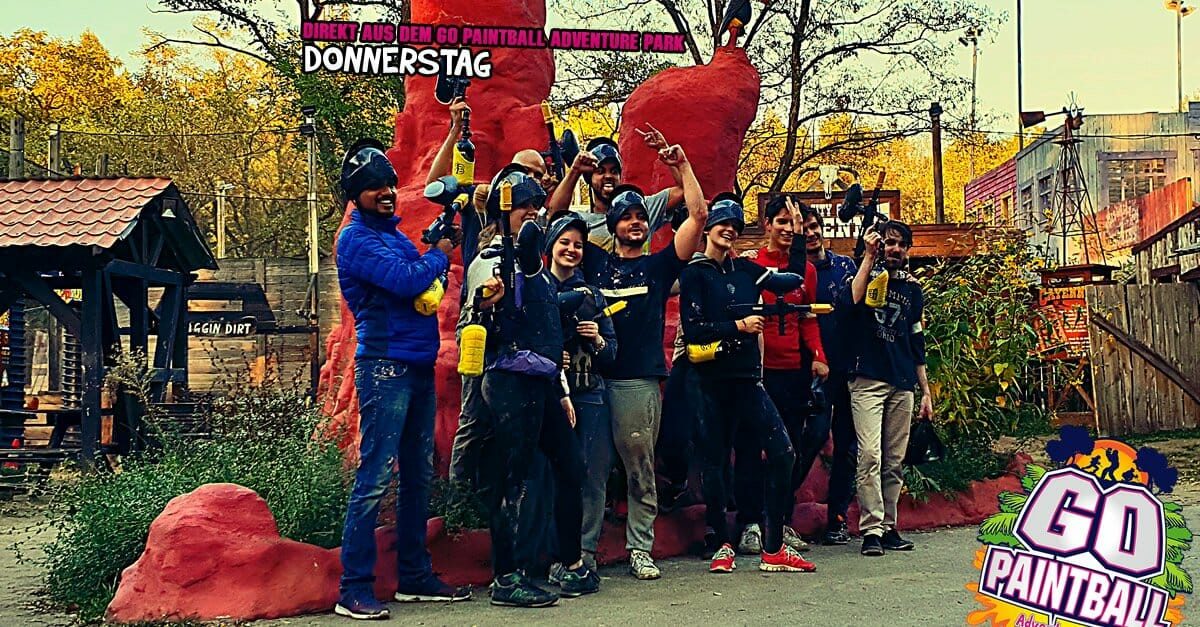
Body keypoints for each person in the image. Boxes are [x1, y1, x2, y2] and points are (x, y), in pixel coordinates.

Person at [333, 139, 470, 620]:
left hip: (415, 365)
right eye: (374, 187)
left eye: (389, 184)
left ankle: (414, 576)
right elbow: (409, 281)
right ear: (355, 195)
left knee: (417, 475)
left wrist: (430, 256)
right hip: (384, 367)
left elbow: (421, 281)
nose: (387, 192)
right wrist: (440, 254)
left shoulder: (394, 237)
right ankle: (353, 588)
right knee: (374, 477)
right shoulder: (355, 239)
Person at [463, 168, 595, 606]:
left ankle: (569, 563)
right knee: (513, 479)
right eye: (524, 206)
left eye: (537, 206)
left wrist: (561, 388)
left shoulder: (532, 263)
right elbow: (477, 310)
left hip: (541, 383)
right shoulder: (491, 260)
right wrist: (487, 300)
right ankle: (507, 578)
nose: (533, 213)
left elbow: (546, 329)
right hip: (508, 382)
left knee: (571, 466)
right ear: (504, 211)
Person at [579, 143, 708, 580]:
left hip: (638, 382)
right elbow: (551, 221)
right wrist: (572, 173)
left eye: (640, 216)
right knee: (593, 471)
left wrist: (683, 165)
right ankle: (584, 552)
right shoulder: (595, 261)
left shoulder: (658, 267)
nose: (635, 222)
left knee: (640, 469)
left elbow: (698, 217)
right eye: (626, 217)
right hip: (593, 382)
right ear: (613, 225)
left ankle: (639, 548)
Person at [678, 195, 816, 574]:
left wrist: (798, 237)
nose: (729, 231)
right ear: (708, 228)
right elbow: (694, 330)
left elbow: (791, 281)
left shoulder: (747, 270)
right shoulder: (694, 273)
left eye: (735, 227)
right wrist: (739, 326)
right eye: (723, 224)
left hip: (748, 380)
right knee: (716, 463)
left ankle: (773, 549)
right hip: (708, 382)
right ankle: (723, 545)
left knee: (783, 453)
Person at [732, 196, 827, 556]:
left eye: (795, 223)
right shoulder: (751, 264)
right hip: (758, 371)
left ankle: (781, 522)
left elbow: (808, 318)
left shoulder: (807, 271)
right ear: (767, 223)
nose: (788, 228)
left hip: (794, 372)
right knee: (749, 447)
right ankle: (750, 523)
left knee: (790, 448)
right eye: (783, 221)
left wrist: (818, 357)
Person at [844, 220, 932, 557]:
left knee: (894, 460)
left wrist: (925, 391)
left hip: (902, 380)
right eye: (889, 242)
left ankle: (889, 527)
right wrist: (868, 257)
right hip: (867, 378)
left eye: (900, 244)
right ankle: (871, 529)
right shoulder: (865, 275)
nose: (894, 249)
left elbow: (916, 340)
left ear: (908, 250)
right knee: (870, 455)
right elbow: (852, 300)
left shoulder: (912, 290)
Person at [541, 213, 619, 578]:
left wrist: (597, 339)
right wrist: (551, 355)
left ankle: (584, 553)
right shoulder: (537, 288)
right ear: (550, 246)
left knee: (591, 473)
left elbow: (612, 353)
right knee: (550, 476)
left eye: (578, 245)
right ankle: (553, 554)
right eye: (564, 242)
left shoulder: (592, 295)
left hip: (589, 395)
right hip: (549, 398)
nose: (571, 250)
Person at [795, 202, 860, 546]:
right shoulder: (796, 272)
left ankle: (837, 518)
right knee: (814, 436)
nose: (811, 233)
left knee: (848, 447)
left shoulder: (845, 266)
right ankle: (780, 510)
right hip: (813, 371)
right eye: (804, 228)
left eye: (814, 226)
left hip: (849, 368)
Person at [548, 127, 684, 249]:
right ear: (589, 178)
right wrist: (575, 171)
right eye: (600, 171)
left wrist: (664, 150)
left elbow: (684, 189)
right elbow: (555, 215)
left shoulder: (642, 209)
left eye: (614, 171)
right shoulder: (580, 221)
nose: (608, 176)